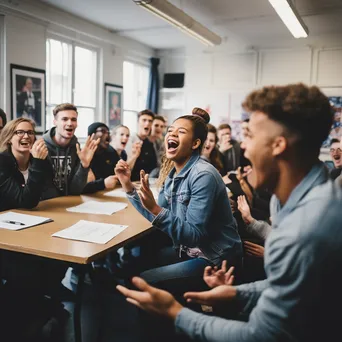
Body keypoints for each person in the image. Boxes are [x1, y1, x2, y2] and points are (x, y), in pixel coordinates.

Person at [117, 83, 342, 342]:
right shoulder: (285, 203)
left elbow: (259, 334)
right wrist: (238, 294)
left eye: (249, 136)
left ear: (278, 145)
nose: (242, 148)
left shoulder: (307, 228)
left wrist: (175, 312)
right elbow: (289, 285)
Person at [115, 107, 242, 295]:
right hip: (190, 249)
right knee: (142, 259)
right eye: (170, 131)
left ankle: (171, 318)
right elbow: (155, 213)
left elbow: (193, 234)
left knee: (143, 281)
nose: (172, 134)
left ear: (195, 143)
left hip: (214, 258)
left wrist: (155, 208)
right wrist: (127, 186)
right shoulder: (174, 174)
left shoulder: (203, 175)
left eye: (181, 132)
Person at [42, 103, 99, 199]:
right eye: (64, 119)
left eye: (74, 119)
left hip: (69, 203)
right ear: (55, 122)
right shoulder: (41, 147)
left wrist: (84, 165)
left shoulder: (76, 148)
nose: (70, 123)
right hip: (46, 205)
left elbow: (75, 190)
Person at [0, 118, 49, 211]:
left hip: (36, 214)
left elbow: (47, 194)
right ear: (9, 138)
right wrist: (38, 163)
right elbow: (26, 202)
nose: (26, 136)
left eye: (30, 132)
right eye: (20, 132)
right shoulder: (2, 162)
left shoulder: (41, 159)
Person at [82, 122, 124, 193]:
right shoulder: (83, 154)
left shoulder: (111, 151)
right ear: (92, 135)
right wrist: (103, 184)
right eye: (103, 131)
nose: (107, 135)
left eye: (108, 132)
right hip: (89, 197)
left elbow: (118, 176)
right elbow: (80, 187)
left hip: (110, 193)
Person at [128, 109, 157, 181]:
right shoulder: (129, 140)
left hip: (147, 181)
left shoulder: (150, 143)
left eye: (150, 121)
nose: (147, 123)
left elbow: (153, 166)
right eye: (144, 120)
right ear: (138, 122)